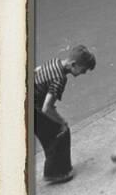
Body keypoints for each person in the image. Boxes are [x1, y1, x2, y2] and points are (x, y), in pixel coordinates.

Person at [34, 45, 96, 184]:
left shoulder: (55, 62)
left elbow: (37, 70)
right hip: (33, 108)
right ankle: (56, 173)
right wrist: (62, 121)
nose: (83, 73)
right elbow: (47, 108)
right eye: (83, 70)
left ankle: (58, 169)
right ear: (73, 65)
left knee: (51, 133)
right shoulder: (60, 78)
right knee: (61, 131)